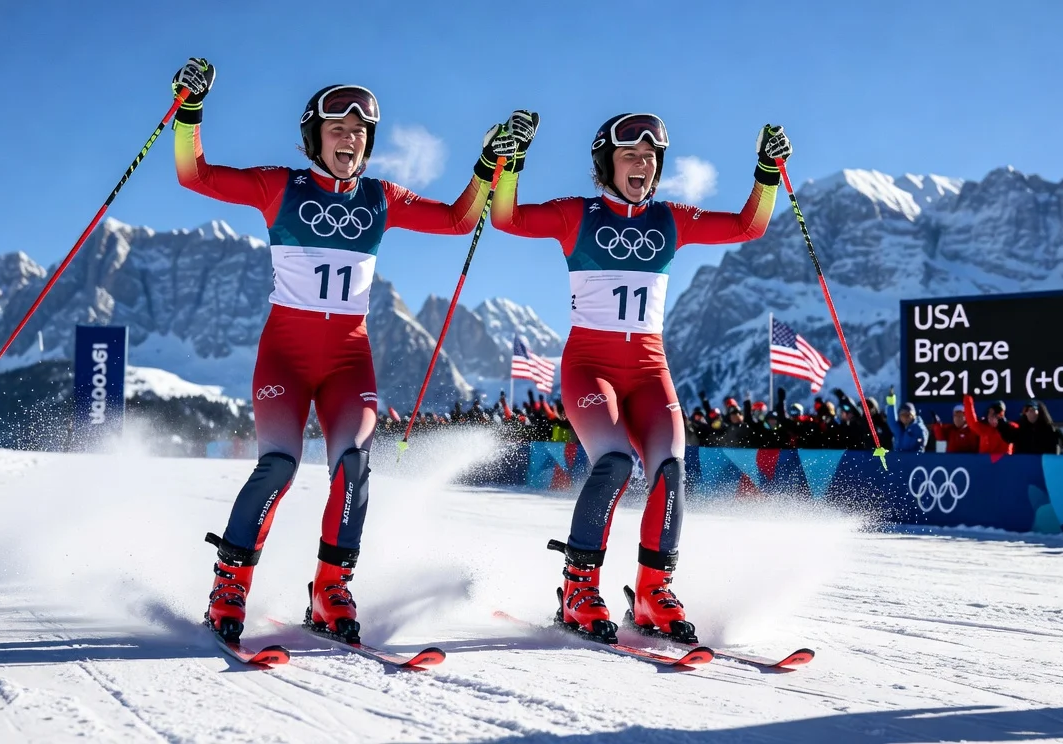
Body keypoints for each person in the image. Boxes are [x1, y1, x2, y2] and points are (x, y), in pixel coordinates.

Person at [171, 58, 506, 644]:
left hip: (349, 358)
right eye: (337, 129)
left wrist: (487, 168)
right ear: (314, 137)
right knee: (278, 465)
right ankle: (230, 586)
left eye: (359, 131)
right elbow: (193, 176)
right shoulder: (281, 187)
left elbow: (459, 221)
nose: (349, 138)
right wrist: (189, 109)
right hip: (286, 354)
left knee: (352, 464)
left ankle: (331, 587)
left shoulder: (382, 197)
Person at [491, 108, 787, 641]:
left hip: (650, 369)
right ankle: (578, 589)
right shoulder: (575, 214)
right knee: (614, 461)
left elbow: (749, 225)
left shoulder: (670, 219)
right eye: (630, 154)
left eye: (650, 156)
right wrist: (509, 160)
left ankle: (653, 591)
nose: (643, 163)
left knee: (670, 469)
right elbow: (506, 218)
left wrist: (767, 172)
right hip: (590, 367)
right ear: (606, 163)